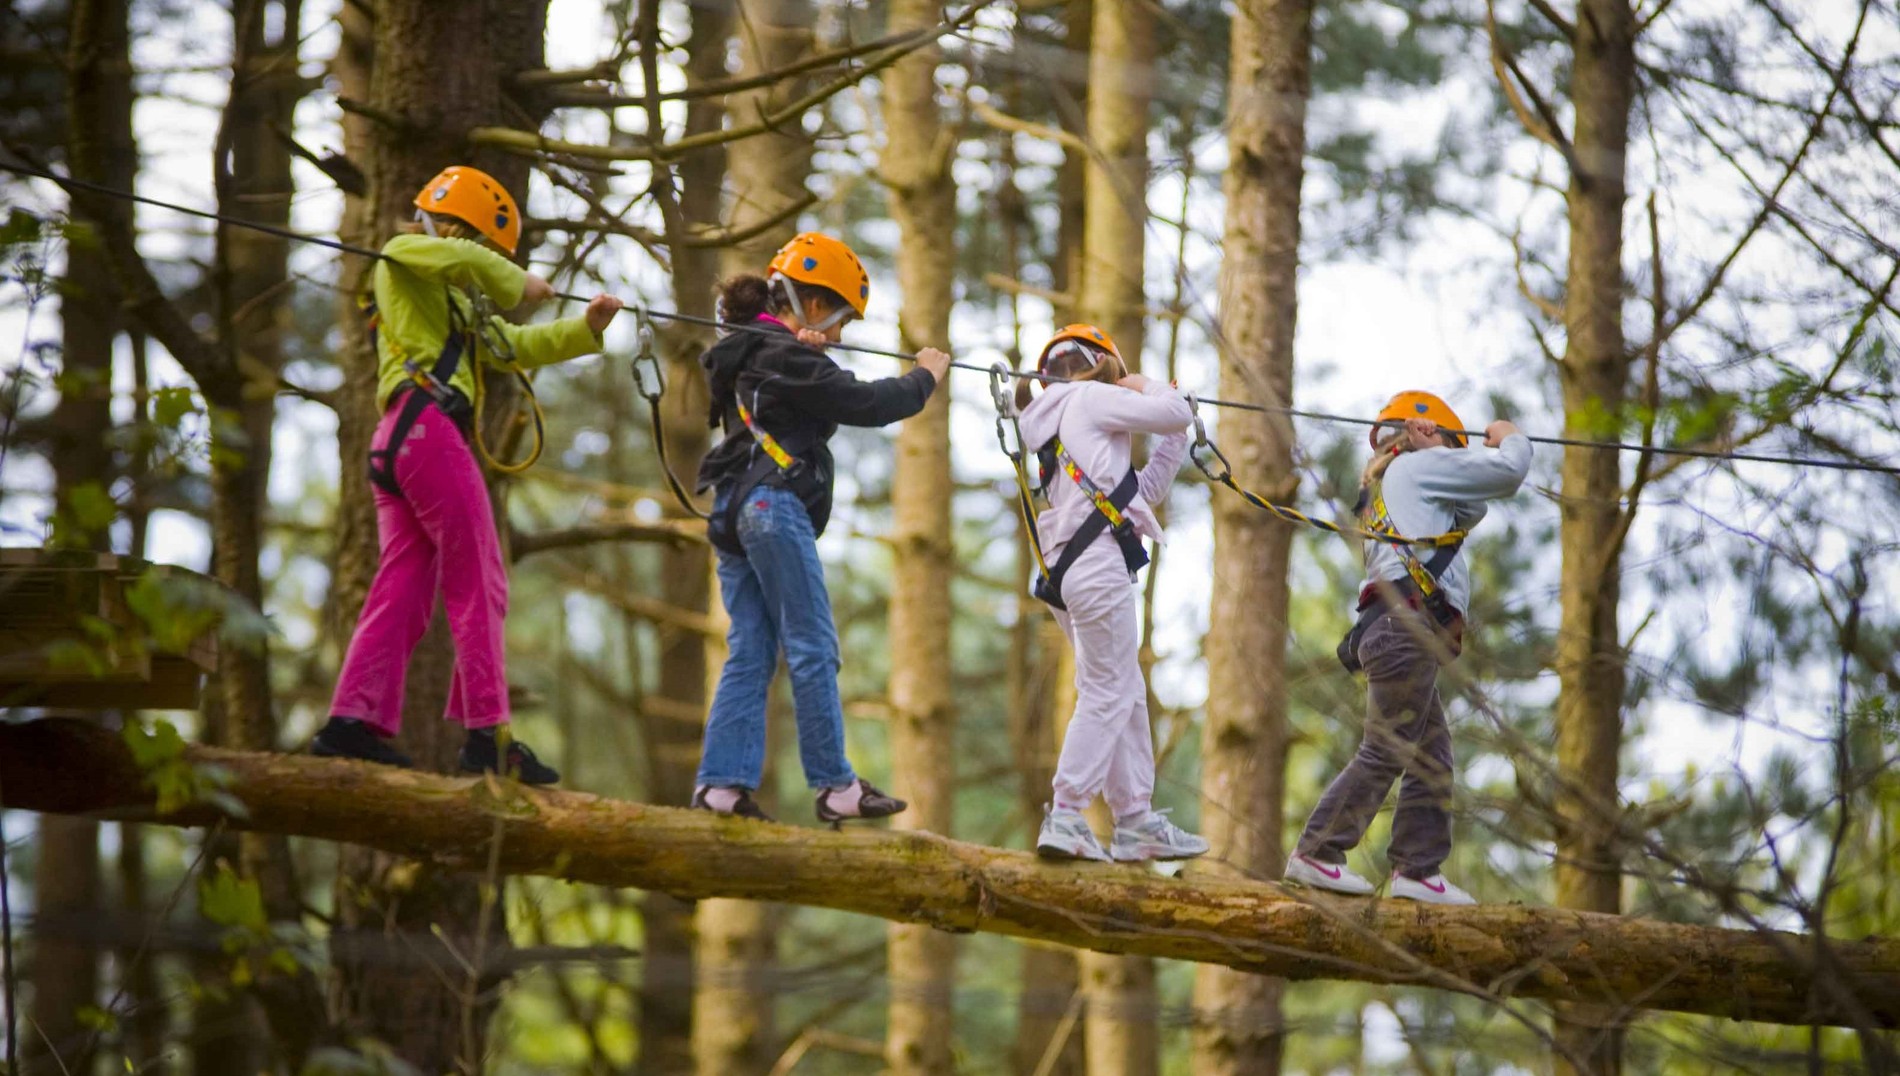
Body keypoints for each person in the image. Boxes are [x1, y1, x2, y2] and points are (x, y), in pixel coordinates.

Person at [312, 165, 623, 784]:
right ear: (452, 229)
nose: (478, 259)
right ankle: (488, 734)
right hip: (424, 432)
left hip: (403, 439)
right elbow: (461, 263)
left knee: (402, 588)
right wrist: (516, 278)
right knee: (480, 575)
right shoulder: (401, 254)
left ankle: (351, 720)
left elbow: (512, 346)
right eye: (475, 245)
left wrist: (585, 329)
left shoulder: (450, 303)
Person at [690, 232, 951, 825]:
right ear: (812, 304)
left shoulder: (753, 348)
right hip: (771, 508)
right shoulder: (782, 354)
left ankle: (721, 788)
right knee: (812, 645)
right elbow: (863, 403)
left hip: (734, 508)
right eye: (837, 320)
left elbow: (799, 388)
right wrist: (924, 378)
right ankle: (836, 786)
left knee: (751, 651)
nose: (837, 335)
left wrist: (809, 348)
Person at [1285, 390, 1531, 904]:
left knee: (1431, 757)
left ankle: (1417, 870)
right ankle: (1318, 851)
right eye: (1449, 444)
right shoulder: (1417, 471)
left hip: (1397, 631)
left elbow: (1474, 508)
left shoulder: (1400, 484)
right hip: (1405, 631)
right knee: (1389, 749)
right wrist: (1509, 438)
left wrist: (1448, 449)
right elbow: (1508, 473)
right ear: (1425, 436)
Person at [1016, 324, 1209, 863]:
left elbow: (1137, 494)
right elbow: (1171, 411)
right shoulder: (1091, 397)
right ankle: (1068, 812)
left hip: (1076, 565)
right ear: (1104, 364)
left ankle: (1134, 819)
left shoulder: (1060, 420)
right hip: (1096, 564)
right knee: (1108, 690)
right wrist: (1152, 388)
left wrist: (1174, 437)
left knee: (1123, 691)